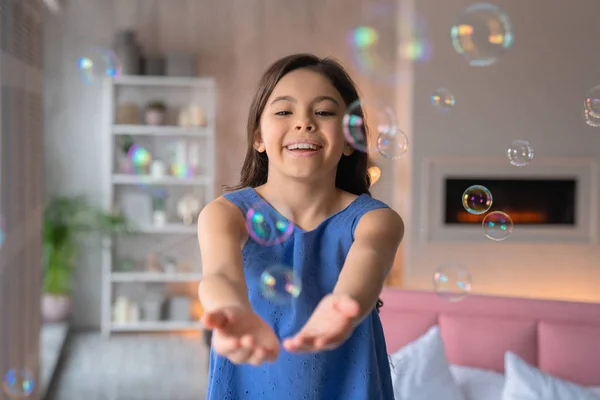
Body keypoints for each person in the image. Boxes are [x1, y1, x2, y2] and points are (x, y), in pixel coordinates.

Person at [197, 53, 404, 400]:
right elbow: (219, 275)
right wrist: (230, 310)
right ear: (258, 137)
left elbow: (367, 263)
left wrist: (343, 304)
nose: (304, 123)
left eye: (323, 112)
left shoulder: (376, 220)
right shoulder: (225, 214)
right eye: (283, 111)